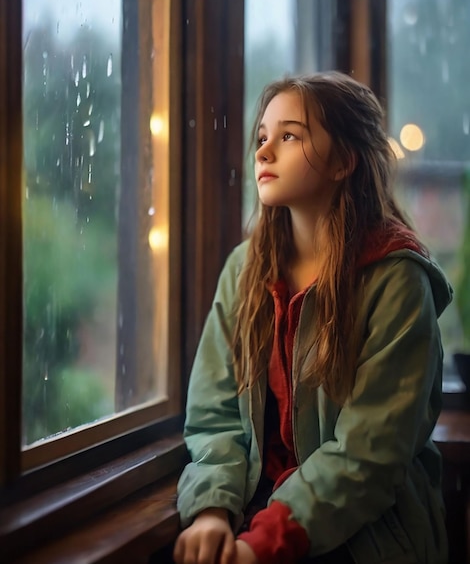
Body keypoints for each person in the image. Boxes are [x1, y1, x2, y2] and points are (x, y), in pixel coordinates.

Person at [173, 71, 452, 564]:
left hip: (369, 536)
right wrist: (212, 509)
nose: (263, 152)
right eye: (262, 137)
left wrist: (264, 545)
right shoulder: (245, 270)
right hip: (253, 518)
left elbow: (371, 454)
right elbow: (214, 414)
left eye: (289, 136)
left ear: (345, 160)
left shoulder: (397, 281)